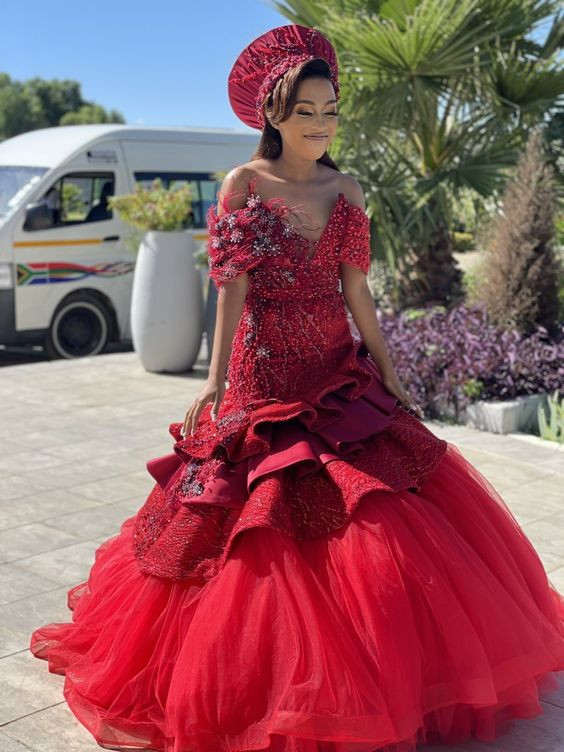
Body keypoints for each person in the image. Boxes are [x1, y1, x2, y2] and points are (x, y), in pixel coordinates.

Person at [29, 23, 564, 752]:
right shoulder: (243, 186)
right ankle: (260, 679)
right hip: (264, 371)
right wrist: (216, 380)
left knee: (370, 512)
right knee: (255, 517)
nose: (321, 125)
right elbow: (231, 291)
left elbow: (358, 291)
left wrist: (390, 369)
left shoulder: (345, 188)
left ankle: (382, 675)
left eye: (331, 110)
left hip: (334, 367)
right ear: (272, 115)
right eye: (306, 111)